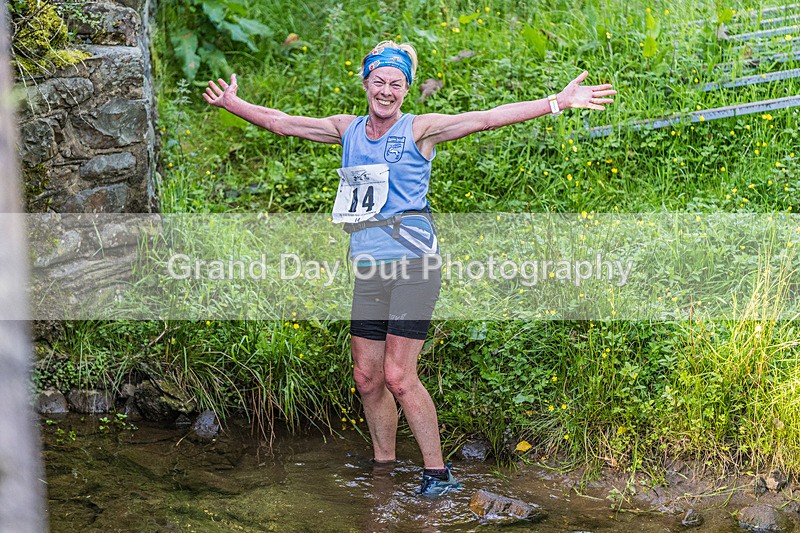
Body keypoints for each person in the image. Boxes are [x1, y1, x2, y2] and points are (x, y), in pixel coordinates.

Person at [204, 40, 615, 497]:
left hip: (414, 265)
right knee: (367, 377)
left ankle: (438, 475)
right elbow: (283, 124)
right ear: (365, 83)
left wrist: (557, 102)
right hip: (368, 268)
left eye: (395, 84)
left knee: (399, 375)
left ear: (406, 89)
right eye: (378, 81)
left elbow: (484, 118)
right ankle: (384, 468)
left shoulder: (420, 130)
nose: (386, 90)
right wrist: (233, 102)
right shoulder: (348, 129)